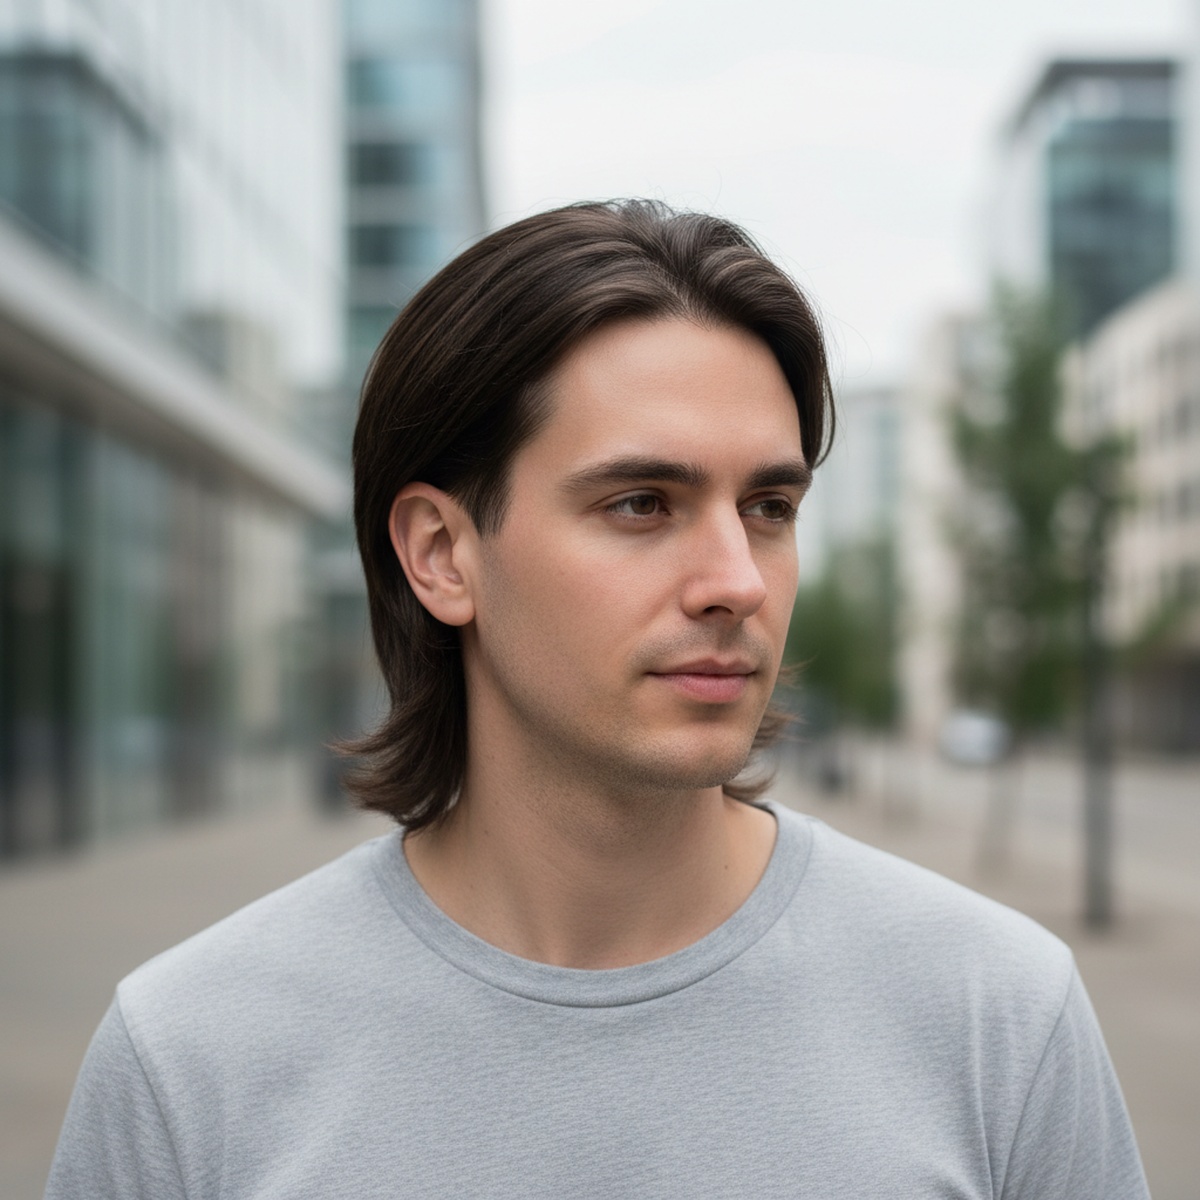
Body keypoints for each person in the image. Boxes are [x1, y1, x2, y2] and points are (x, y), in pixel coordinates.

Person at [46, 200, 1147, 1199]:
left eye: (769, 505)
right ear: (442, 555)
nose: (737, 580)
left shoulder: (995, 1015)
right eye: (640, 502)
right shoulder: (191, 1058)